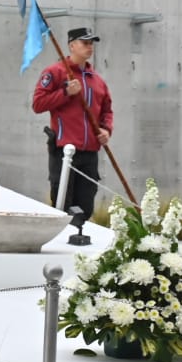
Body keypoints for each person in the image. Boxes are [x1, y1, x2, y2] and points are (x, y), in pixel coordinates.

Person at [32, 26, 114, 218]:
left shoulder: (98, 81)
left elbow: (107, 111)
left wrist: (106, 130)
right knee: (62, 204)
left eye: (91, 43)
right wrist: (65, 93)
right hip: (64, 152)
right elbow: (38, 104)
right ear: (72, 46)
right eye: (85, 43)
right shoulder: (55, 72)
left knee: (85, 207)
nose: (90, 47)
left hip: (90, 154)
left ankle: (80, 235)